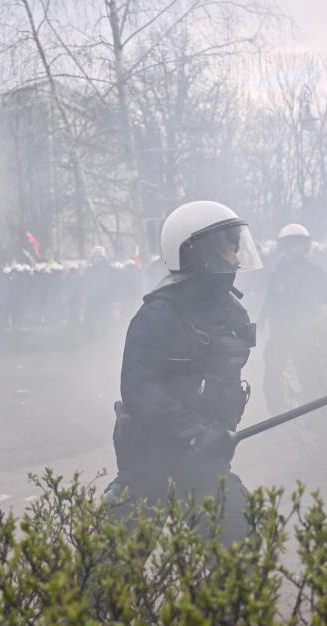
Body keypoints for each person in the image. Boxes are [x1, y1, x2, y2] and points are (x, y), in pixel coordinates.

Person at [106, 201, 263, 540]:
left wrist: (217, 432)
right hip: (149, 462)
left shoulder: (230, 314)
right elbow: (138, 389)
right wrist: (194, 430)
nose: (236, 259)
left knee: (239, 553)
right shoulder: (158, 315)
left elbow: (222, 389)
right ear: (199, 253)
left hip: (203, 465)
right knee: (109, 566)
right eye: (228, 249)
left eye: (236, 249)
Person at [260, 223, 327, 414]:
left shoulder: (313, 270)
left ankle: (312, 413)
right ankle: (276, 413)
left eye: (300, 243)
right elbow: (270, 297)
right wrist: (262, 318)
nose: (296, 247)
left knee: (307, 372)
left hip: (303, 330)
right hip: (280, 329)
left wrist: (313, 303)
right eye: (292, 243)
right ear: (284, 246)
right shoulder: (277, 271)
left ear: (305, 246)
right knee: (272, 372)